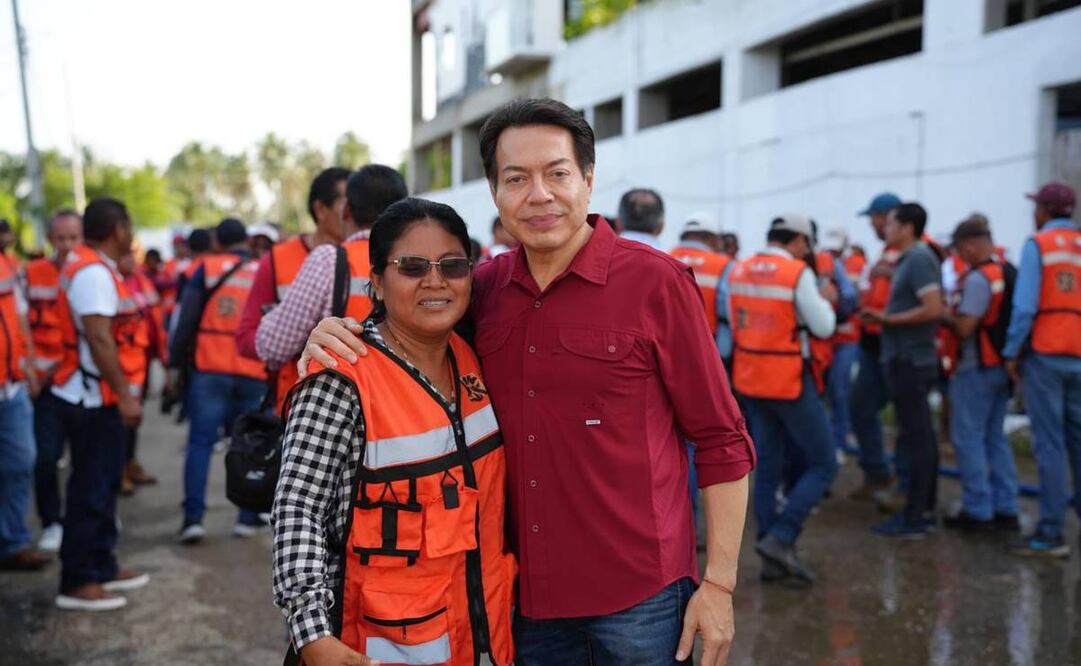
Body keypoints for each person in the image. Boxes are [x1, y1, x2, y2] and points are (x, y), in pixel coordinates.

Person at [301, 97, 754, 665]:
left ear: (588, 180)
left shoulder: (656, 284)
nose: (539, 194)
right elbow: (409, 327)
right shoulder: (483, 289)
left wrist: (719, 585)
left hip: (643, 600)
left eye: (557, 173)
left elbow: (721, 439)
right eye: (517, 178)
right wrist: (337, 333)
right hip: (527, 603)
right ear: (495, 193)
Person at [274, 197, 515, 666]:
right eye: (412, 267)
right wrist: (313, 635)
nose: (435, 280)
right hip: (372, 648)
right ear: (378, 284)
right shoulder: (339, 379)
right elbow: (297, 507)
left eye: (452, 265)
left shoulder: (474, 356)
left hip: (482, 640)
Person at [50, 197, 150, 610]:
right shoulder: (92, 272)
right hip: (92, 398)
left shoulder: (98, 267)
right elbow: (100, 339)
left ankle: (103, 565)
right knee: (90, 488)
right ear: (118, 230)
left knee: (104, 484)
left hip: (100, 395)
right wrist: (125, 395)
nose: (132, 235)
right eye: (128, 227)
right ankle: (79, 580)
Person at [728, 214, 837, 587]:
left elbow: (733, 318)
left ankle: (770, 556)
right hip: (789, 380)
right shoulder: (795, 273)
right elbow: (823, 326)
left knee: (767, 469)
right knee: (825, 462)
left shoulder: (740, 270)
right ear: (799, 242)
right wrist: (826, 303)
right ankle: (782, 536)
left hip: (750, 379)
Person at [254, 165, 407, 412]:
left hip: (332, 412)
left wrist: (273, 314)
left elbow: (272, 347)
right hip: (403, 407)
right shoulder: (419, 262)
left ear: (346, 210)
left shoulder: (330, 260)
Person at [168, 218, 267, 543]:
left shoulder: (205, 267)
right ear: (247, 241)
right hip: (253, 369)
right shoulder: (263, 269)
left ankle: (193, 519)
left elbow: (187, 319)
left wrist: (174, 364)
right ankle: (247, 516)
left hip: (210, 368)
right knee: (249, 444)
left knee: (200, 442)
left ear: (217, 243)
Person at [1003, 182, 1081, 558]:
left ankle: (1051, 531)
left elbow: (1024, 308)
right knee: (1078, 443)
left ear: (1046, 211)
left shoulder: (1039, 245)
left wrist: (1011, 351)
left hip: (1047, 353)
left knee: (1049, 446)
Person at [235, 167, 351, 407]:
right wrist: (292, 334)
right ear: (321, 209)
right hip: (293, 402)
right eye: (347, 203)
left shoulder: (372, 259)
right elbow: (246, 338)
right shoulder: (278, 259)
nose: (354, 212)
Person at [862, 202, 943, 538]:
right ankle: (921, 510)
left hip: (911, 360)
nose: (886, 229)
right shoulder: (909, 261)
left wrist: (887, 319)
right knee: (918, 436)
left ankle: (915, 517)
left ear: (908, 227)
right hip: (906, 359)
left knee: (918, 438)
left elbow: (933, 308)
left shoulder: (920, 259)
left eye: (892, 223)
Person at [940, 220, 1019, 531]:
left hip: (976, 368)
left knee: (968, 438)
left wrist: (940, 314)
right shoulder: (1007, 272)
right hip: (1002, 367)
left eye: (960, 249)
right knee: (995, 438)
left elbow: (965, 327)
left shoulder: (978, 279)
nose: (959, 255)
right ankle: (1006, 506)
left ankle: (978, 509)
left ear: (970, 245)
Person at [26, 209, 82, 552]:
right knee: (45, 457)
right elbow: (20, 326)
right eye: (60, 238)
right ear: (50, 239)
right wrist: (32, 369)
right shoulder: (32, 274)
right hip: (47, 383)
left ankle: (87, 515)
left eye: (73, 238)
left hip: (84, 381)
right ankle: (50, 521)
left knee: (88, 459)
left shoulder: (90, 272)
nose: (66, 245)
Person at [0, 209, 47, 573]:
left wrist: (28, 363)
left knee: (21, 462)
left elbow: (18, 320)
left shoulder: (8, 267)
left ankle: (13, 542)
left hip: (11, 387)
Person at [848, 192, 903, 503]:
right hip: (872, 344)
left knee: (906, 420)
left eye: (873, 218)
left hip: (895, 344)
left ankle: (902, 484)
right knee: (861, 408)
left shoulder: (918, 251)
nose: (871, 224)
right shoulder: (884, 252)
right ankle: (878, 472)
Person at [118, 251, 165, 494]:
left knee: (135, 417)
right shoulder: (110, 281)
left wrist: (162, 353)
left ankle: (130, 463)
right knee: (120, 420)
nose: (129, 260)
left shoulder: (140, 280)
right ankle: (119, 471)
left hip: (141, 362)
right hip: (120, 366)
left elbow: (154, 316)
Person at [817, 228, 862, 455]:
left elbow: (853, 298)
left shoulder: (851, 265)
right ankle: (829, 440)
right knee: (824, 390)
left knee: (839, 390)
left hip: (845, 337)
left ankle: (839, 440)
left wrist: (838, 309)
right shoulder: (821, 263)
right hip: (827, 338)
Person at [670, 213, 731, 336]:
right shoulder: (725, 265)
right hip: (708, 342)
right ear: (711, 238)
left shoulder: (663, 257)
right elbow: (727, 310)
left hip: (666, 341)